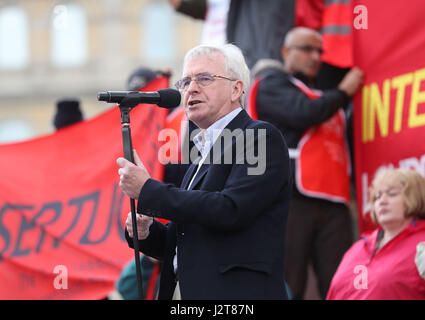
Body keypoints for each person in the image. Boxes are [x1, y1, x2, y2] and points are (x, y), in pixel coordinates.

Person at [117, 43, 291, 299]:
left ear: (236, 89)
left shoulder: (259, 137)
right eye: (185, 81)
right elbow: (185, 242)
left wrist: (148, 190)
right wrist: (147, 233)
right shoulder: (200, 154)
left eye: (204, 78)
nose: (192, 88)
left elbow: (230, 209)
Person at [250, 27, 364, 299]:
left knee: (340, 282)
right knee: (290, 281)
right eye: (307, 49)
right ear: (286, 52)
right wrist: (344, 91)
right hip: (291, 198)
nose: (315, 57)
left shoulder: (322, 95)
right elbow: (305, 112)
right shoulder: (271, 85)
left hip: (334, 200)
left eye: (319, 51)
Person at [327, 168, 425, 300]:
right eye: (377, 196)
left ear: (415, 197)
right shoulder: (357, 248)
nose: (382, 201)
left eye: (392, 194)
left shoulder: (422, 242)